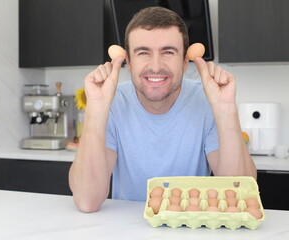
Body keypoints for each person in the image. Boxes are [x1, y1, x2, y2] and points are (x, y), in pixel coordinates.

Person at [69, 6, 257, 213]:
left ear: (185, 61)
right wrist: (95, 108)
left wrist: (226, 109)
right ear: (128, 63)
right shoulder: (112, 103)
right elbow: (87, 201)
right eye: (143, 52)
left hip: (190, 228)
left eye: (168, 52)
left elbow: (239, 195)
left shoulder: (208, 102)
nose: (156, 66)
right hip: (125, 229)